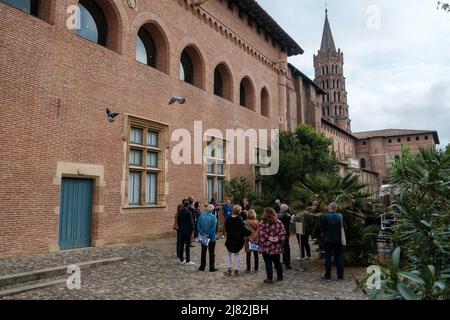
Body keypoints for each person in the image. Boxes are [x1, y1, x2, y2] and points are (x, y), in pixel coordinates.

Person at [258, 208, 286, 284]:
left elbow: (261, 233)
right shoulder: (278, 222)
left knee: (268, 262)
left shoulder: (262, 223)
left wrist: (268, 238)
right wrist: (277, 238)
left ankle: (269, 278)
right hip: (276, 246)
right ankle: (280, 276)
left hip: (266, 246)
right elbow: (283, 232)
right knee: (277, 262)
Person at [320, 202, 346, 281]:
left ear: (329, 208)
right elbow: (344, 227)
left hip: (328, 239)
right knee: (339, 257)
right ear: (336, 208)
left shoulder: (325, 216)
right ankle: (340, 275)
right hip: (338, 239)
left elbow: (322, 228)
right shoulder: (340, 216)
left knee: (328, 257)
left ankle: (328, 275)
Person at [224, 205, 249, 276]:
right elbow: (242, 228)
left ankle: (229, 267)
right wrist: (248, 232)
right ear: (239, 211)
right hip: (237, 238)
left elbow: (226, 228)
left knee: (229, 253)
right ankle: (235, 269)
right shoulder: (239, 218)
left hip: (230, 237)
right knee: (236, 254)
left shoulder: (228, 218)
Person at [197, 204, 218, 272]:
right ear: (212, 210)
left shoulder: (201, 216)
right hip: (211, 238)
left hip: (203, 236)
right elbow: (213, 228)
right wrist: (208, 234)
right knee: (211, 253)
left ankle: (202, 266)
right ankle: (211, 267)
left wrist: (203, 233)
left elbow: (198, 226)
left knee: (203, 252)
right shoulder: (214, 217)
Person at [178, 199, 195, 265]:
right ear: (188, 205)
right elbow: (191, 223)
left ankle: (181, 259)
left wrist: (180, 227)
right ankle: (188, 260)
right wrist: (192, 230)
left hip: (181, 230)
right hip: (188, 231)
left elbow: (178, 221)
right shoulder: (189, 212)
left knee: (181, 245)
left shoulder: (180, 211)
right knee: (187, 246)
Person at [277, 204, 292, 269]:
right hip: (286, 234)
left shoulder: (277, 216)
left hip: (278, 234)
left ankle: (277, 264)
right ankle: (287, 264)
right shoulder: (288, 216)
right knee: (286, 248)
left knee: (277, 248)